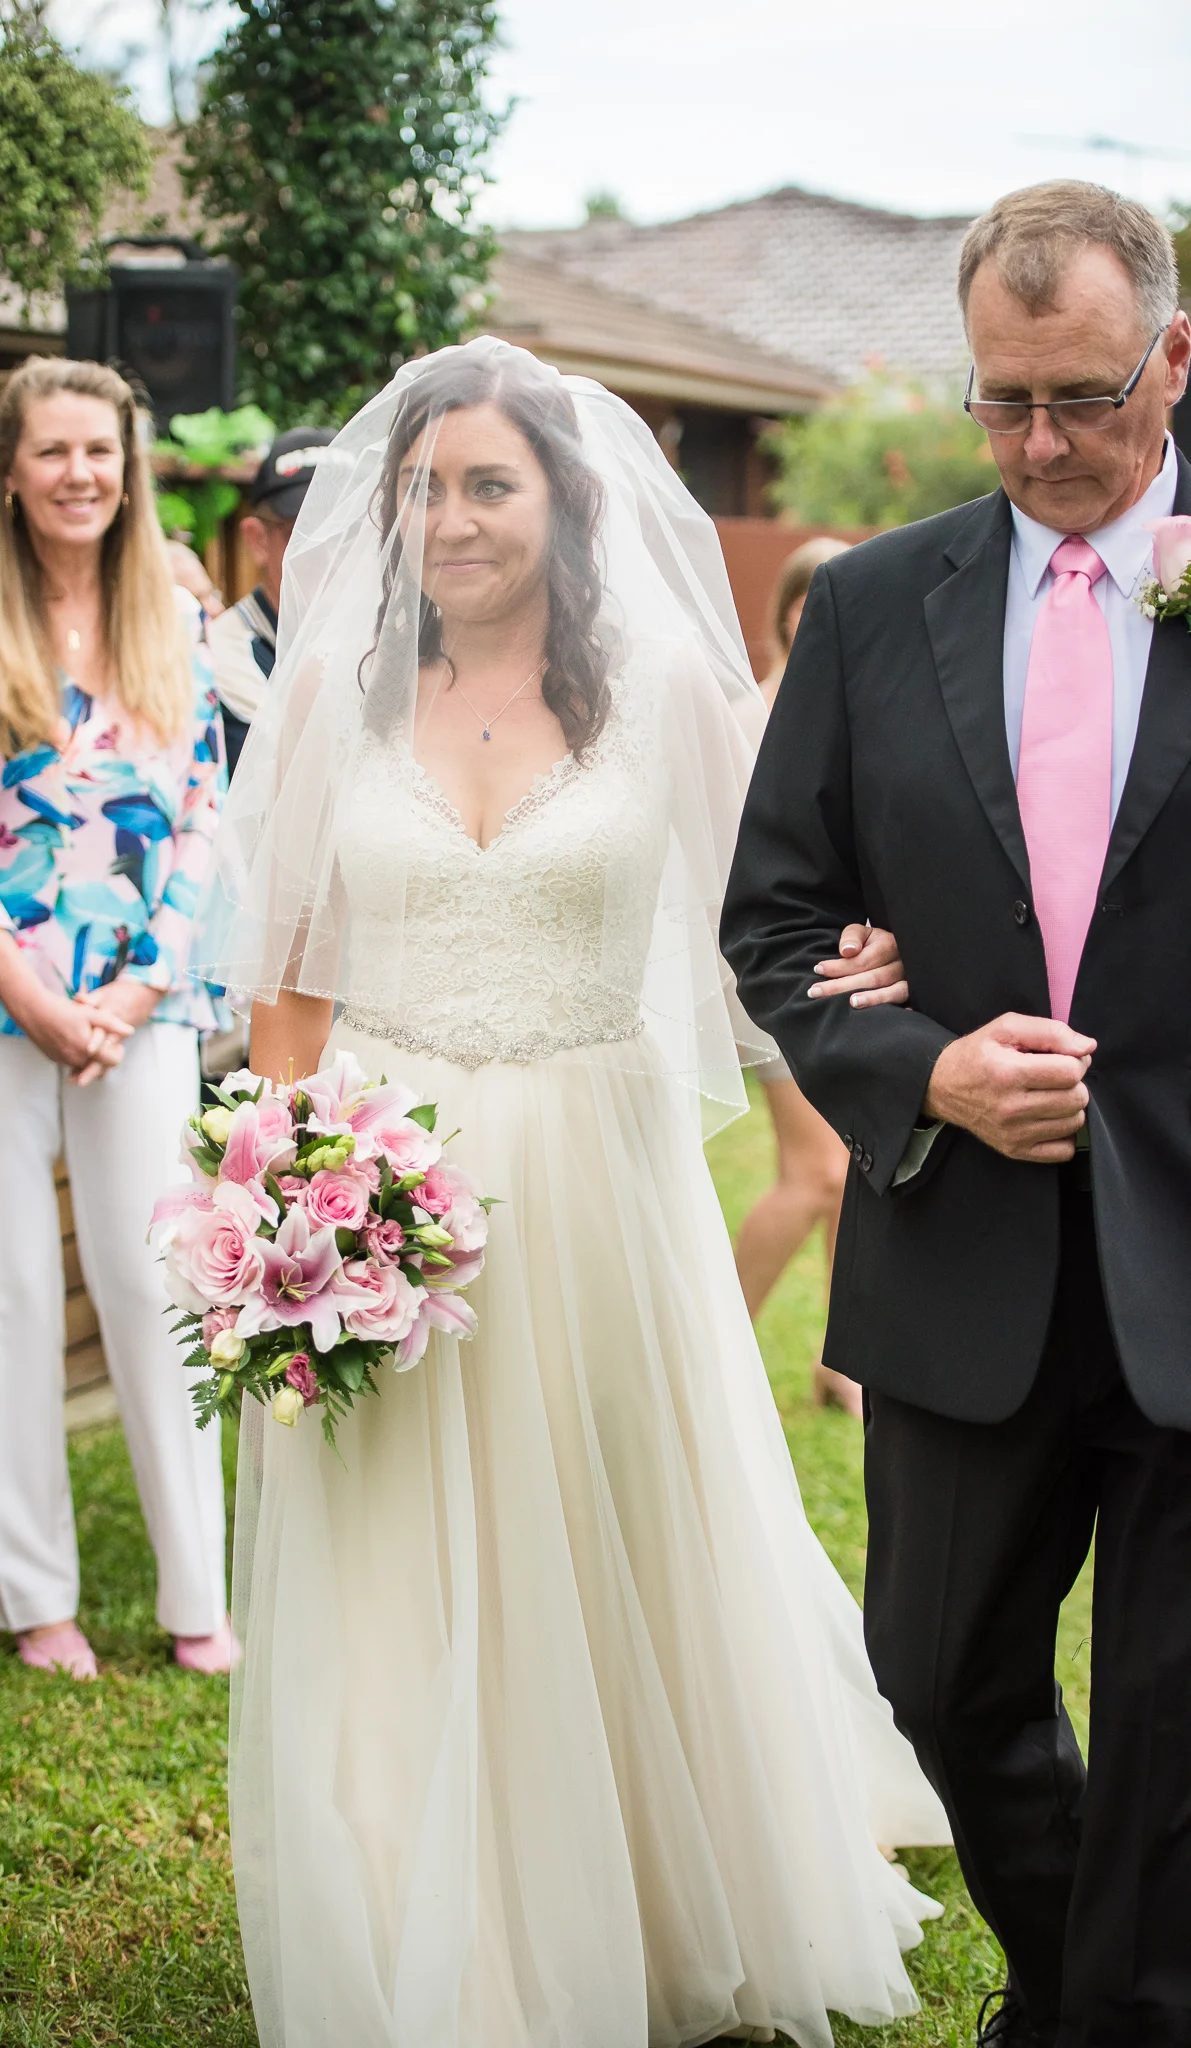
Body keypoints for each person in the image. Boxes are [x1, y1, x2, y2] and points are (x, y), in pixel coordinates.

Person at [200, 337, 949, 2048]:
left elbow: (783, 903)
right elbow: (290, 968)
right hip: (381, 1185)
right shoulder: (333, 693)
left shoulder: (666, 685)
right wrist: (284, 1189)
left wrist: (857, 1038)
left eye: (490, 482)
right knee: (396, 1553)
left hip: (598, 1191)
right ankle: (403, 1887)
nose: (453, 517)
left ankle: (642, 1868)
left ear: (565, 498)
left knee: (612, 1521)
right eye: (427, 486)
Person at [723, 183, 1191, 2048]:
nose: (1044, 446)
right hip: (955, 1248)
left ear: (1173, 355)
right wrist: (920, 1063)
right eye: (1003, 402)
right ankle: (1094, 1977)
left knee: (1169, 1737)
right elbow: (771, 916)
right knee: (934, 1671)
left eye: (1082, 396)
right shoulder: (862, 604)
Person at [0, 357, 231, 1680]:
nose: (80, 474)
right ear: (9, 471)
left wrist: (137, 987)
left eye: (101, 452)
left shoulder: (177, 625)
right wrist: (32, 995)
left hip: (139, 1006)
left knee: (158, 1286)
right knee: (3, 1292)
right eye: (53, 453)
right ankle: (26, 1592)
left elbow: (206, 815)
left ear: (129, 468)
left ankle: (196, 1595)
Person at [736, 537, 865, 1414]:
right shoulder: (757, 716)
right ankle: (714, 1346)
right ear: (790, 613)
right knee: (813, 1171)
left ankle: (840, 1364)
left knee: (850, 1166)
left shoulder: (846, 705)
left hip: (840, 967)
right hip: (772, 975)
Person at [208, 427, 336, 776]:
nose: (329, 550)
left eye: (348, 528)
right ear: (258, 540)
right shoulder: (223, 652)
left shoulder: (402, 645)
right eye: (306, 530)